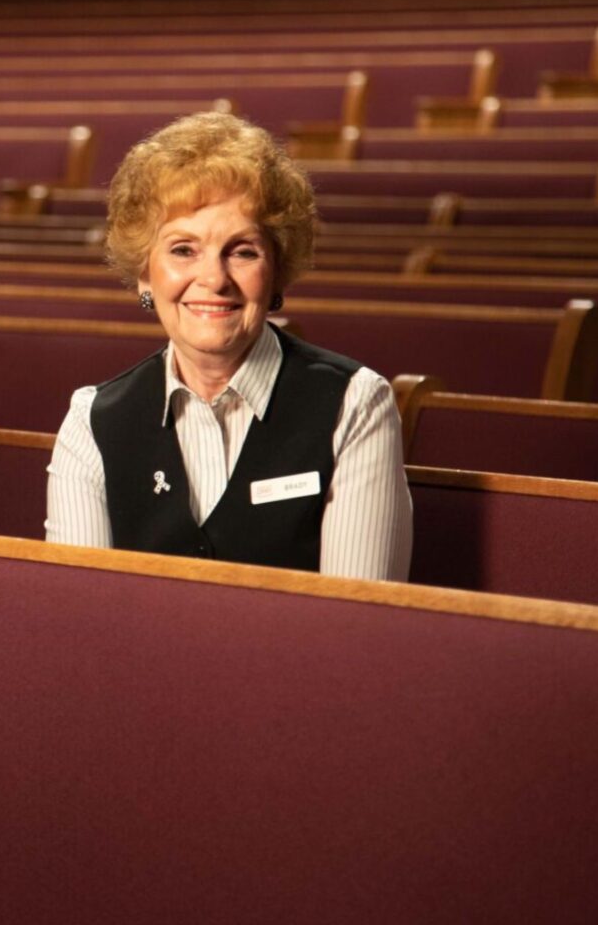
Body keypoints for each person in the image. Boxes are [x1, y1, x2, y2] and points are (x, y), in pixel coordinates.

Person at [46, 112, 413, 582]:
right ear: (144, 272)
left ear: (277, 270)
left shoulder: (355, 404)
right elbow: (81, 617)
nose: (214, 279)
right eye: (183, 250)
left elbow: (356, 625)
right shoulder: (92, 421)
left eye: (242, 251)